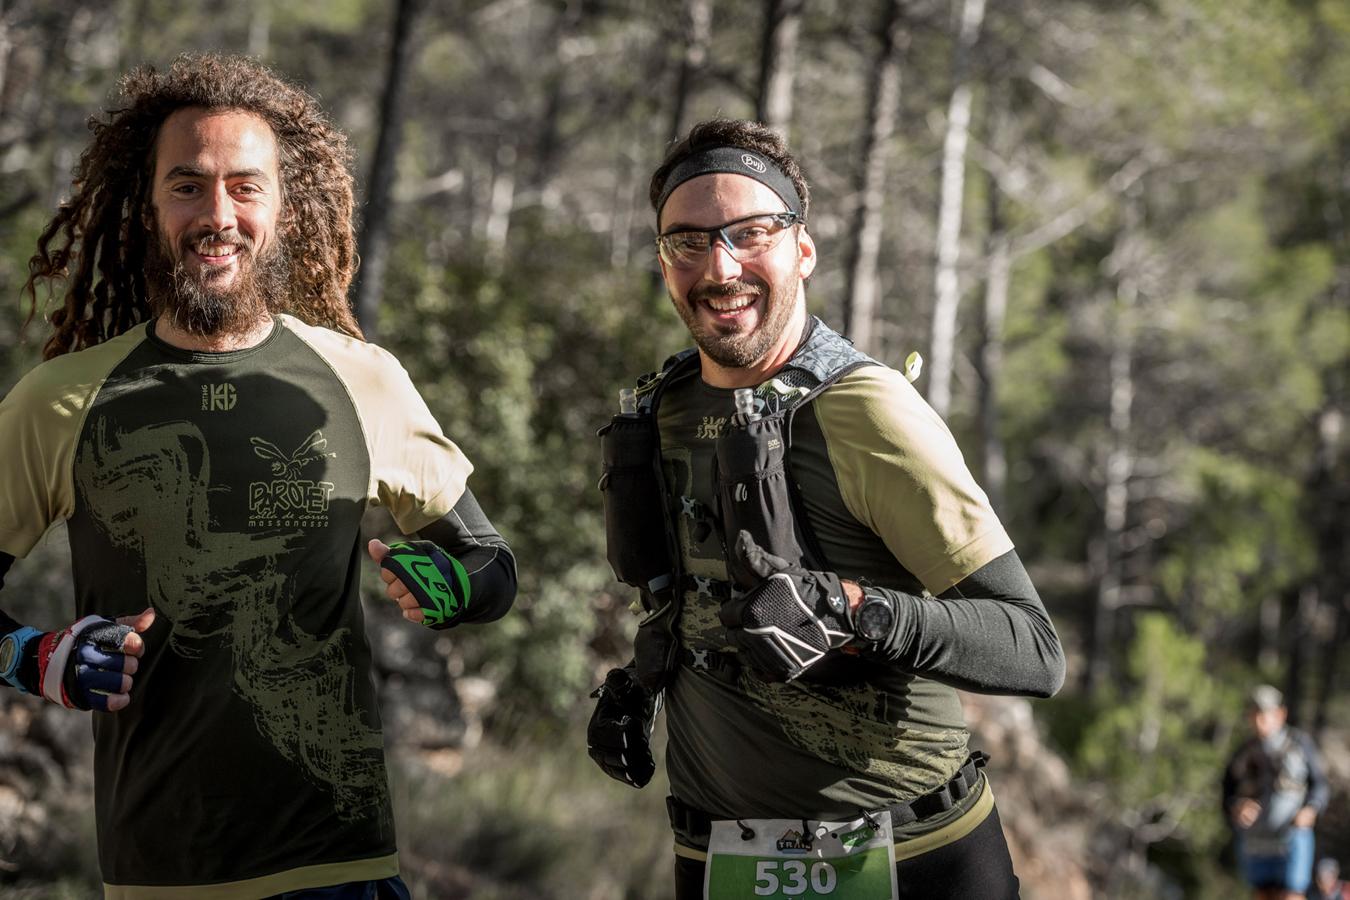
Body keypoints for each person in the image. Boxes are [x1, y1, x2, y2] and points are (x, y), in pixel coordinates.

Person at [0, 53, 516, 898]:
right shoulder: (62, 400)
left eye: (245, 186)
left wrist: (457, 587)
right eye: (188, 186)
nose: (218, 214)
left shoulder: (362, 380)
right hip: (161, 876)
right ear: (148, 206)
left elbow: (494, 564)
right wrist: (32, 655)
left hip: (343, 870)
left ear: (284, 204)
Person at [587, 118, 1065, 899]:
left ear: (802, 249)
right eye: (690, 242)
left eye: (751, 232)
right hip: (718, 861)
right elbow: (699, 600)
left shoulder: (866, 410)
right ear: (663, 262)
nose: (721, 265)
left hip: (916, 860)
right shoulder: (661, 410)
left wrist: (857, 609)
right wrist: (641, 682)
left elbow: (1033, 648)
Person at [1224, 685, 1330, 900]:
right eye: (1254, 713)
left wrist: (1310, 810)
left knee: (1291, 895)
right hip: (1254, 843)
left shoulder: (1300, 744)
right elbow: (1227, 795)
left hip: (1291, 839)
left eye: (1265, 713)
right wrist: (1237, 807)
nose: (1259, 719)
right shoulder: (1243, 752)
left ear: (1280, 714)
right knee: (1262, 895)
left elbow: (1319, 785)